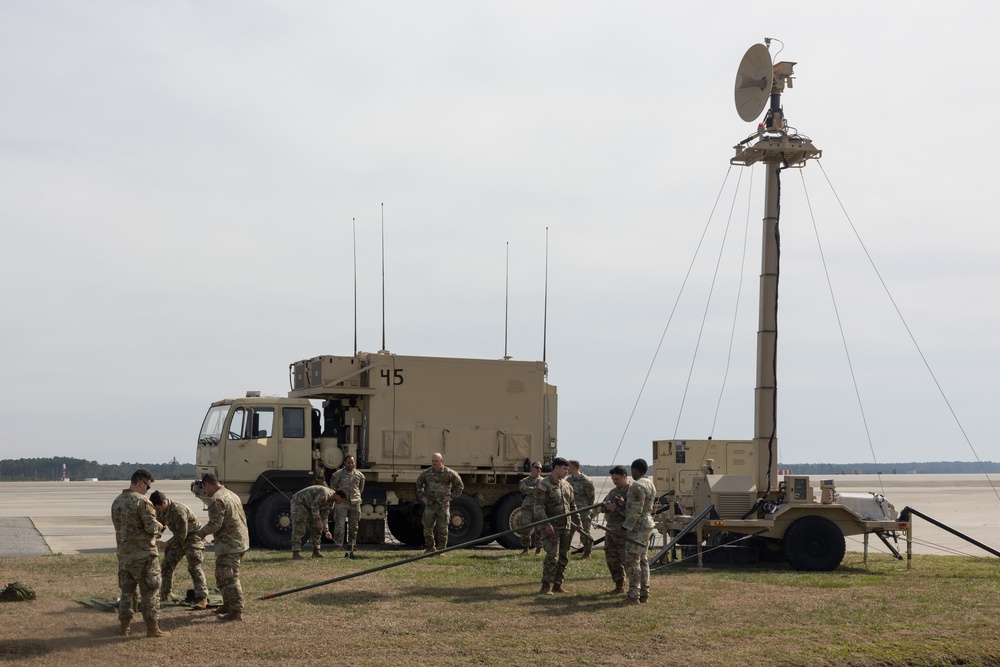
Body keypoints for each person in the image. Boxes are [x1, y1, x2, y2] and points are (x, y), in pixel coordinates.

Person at [111, 468, 170, 638]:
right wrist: (159, 527)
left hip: (124, 556)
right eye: (148, 487)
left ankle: (124, 627)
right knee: (150, 592)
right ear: (141, 483)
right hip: (144, 556)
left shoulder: (117, 501)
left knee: (127, 593)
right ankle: (152, 628)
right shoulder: (142, 502)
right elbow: (150, 528)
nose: (147, 491)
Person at [194, 473, 250, 621]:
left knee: (230, 577)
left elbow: (215, 524)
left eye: (204, 489)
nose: (205, 493)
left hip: (230, 544)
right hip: (238, 541)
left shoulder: (217, 499)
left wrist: (200, 534)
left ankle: (236, 611)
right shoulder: (231, 494)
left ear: (207, 485)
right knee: (221, 575)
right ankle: (227, 604)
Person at [149, 490, 207, 609]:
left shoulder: (178, 510)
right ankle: (165, 593)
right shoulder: (161, 511)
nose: (157, 511)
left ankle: (202, 598)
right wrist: (153, 538)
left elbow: (182, 534)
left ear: (164, 502)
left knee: (194, 567)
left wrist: (165, 544)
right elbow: (160, 527)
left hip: (193, 537)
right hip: (178, 538)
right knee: (167, 564)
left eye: (158, 508)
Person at [532, 457, 576, 594]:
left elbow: (573, 506)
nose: (566, 472)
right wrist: (546, 523)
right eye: (564, 468)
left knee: (563, 557)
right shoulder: (544, 484)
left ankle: (558, 585)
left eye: (567, 469)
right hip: (551, 527)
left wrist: (578, 523)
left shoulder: (566, 485)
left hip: (565, 527)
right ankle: (546, 586)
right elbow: (538, 507)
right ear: (556, 467)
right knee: (552, 557)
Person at [620, 458, 656, 605]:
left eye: (632, 471)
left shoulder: (637, 486)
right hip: (647, 524)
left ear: (635, 470)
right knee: (643, 560)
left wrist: (625, 527)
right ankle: (644, 593)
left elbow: (636, 510)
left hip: (637, 527)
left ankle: (634, 594)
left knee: (633, 560)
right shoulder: (650, 483)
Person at [415, 452, 464, 553]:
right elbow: (418, 485)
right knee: (427, 528)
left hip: (443, 505)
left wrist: (451, 496)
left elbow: (459, 485)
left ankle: (441, 550)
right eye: (433, 461)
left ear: (441, 461)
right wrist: (422, 497)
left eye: (436, 461)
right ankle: (430, 547)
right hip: (430, 504)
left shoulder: (449, 473)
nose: (434, 463)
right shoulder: (426, 473)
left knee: (443, 528)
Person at [290, 485, 346, 559]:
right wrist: (318, 520)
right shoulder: (325, 494)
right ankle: (295, 553)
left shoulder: (331, 503)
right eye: (341, 500)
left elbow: (325, 517)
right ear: (338, 495)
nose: (340, 502)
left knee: (317, 528)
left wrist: (326, 531)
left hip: (310, 507)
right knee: (299, 527)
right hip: (299, 502)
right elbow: (315, 505)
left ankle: (316, 552)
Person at [601, 465, 631, 594]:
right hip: (611, 530)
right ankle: (619, 585)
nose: (615, 482)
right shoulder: (613, 492)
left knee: (627, 560)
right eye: (613, 479)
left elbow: (633, 514)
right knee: (612, 559)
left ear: (624, 476)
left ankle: (634, 587)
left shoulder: (632, 491)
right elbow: (602, 507)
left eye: (617, 479)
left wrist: (618, 508)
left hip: (624, 531)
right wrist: (607, 507)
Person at [329, 456, 366, 558]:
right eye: (349, 463)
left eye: (352, 463)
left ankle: (352, 545)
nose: (351, 465)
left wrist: (356, 497)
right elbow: (333, 489)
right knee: (339, 525)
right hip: (342, 503)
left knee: (354, 526)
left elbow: (360, 488)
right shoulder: (337, 475)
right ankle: (338, 545)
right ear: (344, 463)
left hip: (355, 503)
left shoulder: (360, 475)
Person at [567, 460, 596, 559]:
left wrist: (587, 508)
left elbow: (591, 497)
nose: (567, 469)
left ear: (574, 467)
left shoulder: (586, 481)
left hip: (583, 511)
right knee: (567, 533)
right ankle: (564, 552)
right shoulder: (568, 481)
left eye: (568, 467)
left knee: (584, 533)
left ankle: (587, 553)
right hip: (571, 511)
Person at [518, 461, 544, 555]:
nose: (539, 470)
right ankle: (525, 549)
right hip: (527, 507)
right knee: (525, 528)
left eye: (540, 468)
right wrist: (536, 489)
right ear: (532, 468)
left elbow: (543, 491)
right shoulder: (524, 480)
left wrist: (531, 489)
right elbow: (523, 489)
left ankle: (538, 549)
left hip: (539, 508)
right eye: (537, 467)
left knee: (540, 529)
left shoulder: (543, 481)